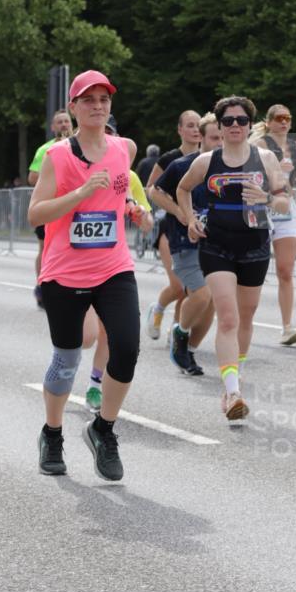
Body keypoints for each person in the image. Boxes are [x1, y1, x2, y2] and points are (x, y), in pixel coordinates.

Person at [28, 70, 140, 481]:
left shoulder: (121, 149)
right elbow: (35, 214)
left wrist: (132, 208)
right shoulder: (59, 155)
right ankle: (52, 433)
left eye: (104, 99)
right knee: (66, 359)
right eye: (88, 99)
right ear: (73, 108)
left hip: (113, 267)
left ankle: (103, 430)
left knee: (126, 348)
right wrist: (77, 194)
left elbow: (118, 193)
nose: (97, 106)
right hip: (65, 272)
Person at [177, 96, 289, 421]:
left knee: (246, 317)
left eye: (241, 120)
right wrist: (191, 219)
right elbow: (183, 190)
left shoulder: (265, 158)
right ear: (220, 126)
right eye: (228, 121)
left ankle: (230, 383)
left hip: (254, 245)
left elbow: (284, 203)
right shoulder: (206, 161)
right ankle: (233, 390)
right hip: (217, 246)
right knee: (227, 318)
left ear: (249, 124)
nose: (235, 126)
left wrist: (267, 197)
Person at [82, 115, 153, 412]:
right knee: (85, 338)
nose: (104, 139)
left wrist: (139, 214)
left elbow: (147, 222)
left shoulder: (129, 175)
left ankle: (95, 385)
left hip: (113, 264)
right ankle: (63, 365)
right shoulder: (73, 164)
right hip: (76, 264)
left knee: (110, 333)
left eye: (109, 134)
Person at [152, 112, 221, 375]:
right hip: (185, 243)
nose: (219, 143)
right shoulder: (183, 166)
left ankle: (187, 351)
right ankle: (180, 331)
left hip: (218, 244)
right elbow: (155, 192)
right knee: (201, 294)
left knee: (211, 302)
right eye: (214, 138)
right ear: (201, 138)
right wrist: (181, 213)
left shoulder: (231, 167)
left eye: (222, 138)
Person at [249, 104, 296, 345]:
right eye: (279, 118)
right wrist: (276, 172)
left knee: (285, 270)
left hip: (286, 210)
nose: (284, 122)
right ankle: (244, 318)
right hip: (262, 208)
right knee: (253, 271)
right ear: (269, 121)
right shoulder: (260, 145)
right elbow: (252, 175)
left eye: (288, 118)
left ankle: (287, 327)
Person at [145, 111, 202, 340]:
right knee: (179, 286)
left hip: (198, 231)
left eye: (199, 125)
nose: (195, 129)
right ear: (179, 130)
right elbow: (151, 189)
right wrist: (176, 209)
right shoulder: (170, 159)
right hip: (171, 230)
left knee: (191, 288)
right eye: (190, 125)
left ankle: (176, 332)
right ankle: (158, 309)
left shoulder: (208, 159)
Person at [27, 109, 74, 308]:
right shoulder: (44, 149)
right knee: (45, 247)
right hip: (51, 208)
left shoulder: (81, 146)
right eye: (59, 122)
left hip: (74, 207)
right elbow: (32, 177)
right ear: (53, 127)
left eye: (66, 121)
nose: (63, 125)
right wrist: (54, 178)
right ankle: (42, 284)